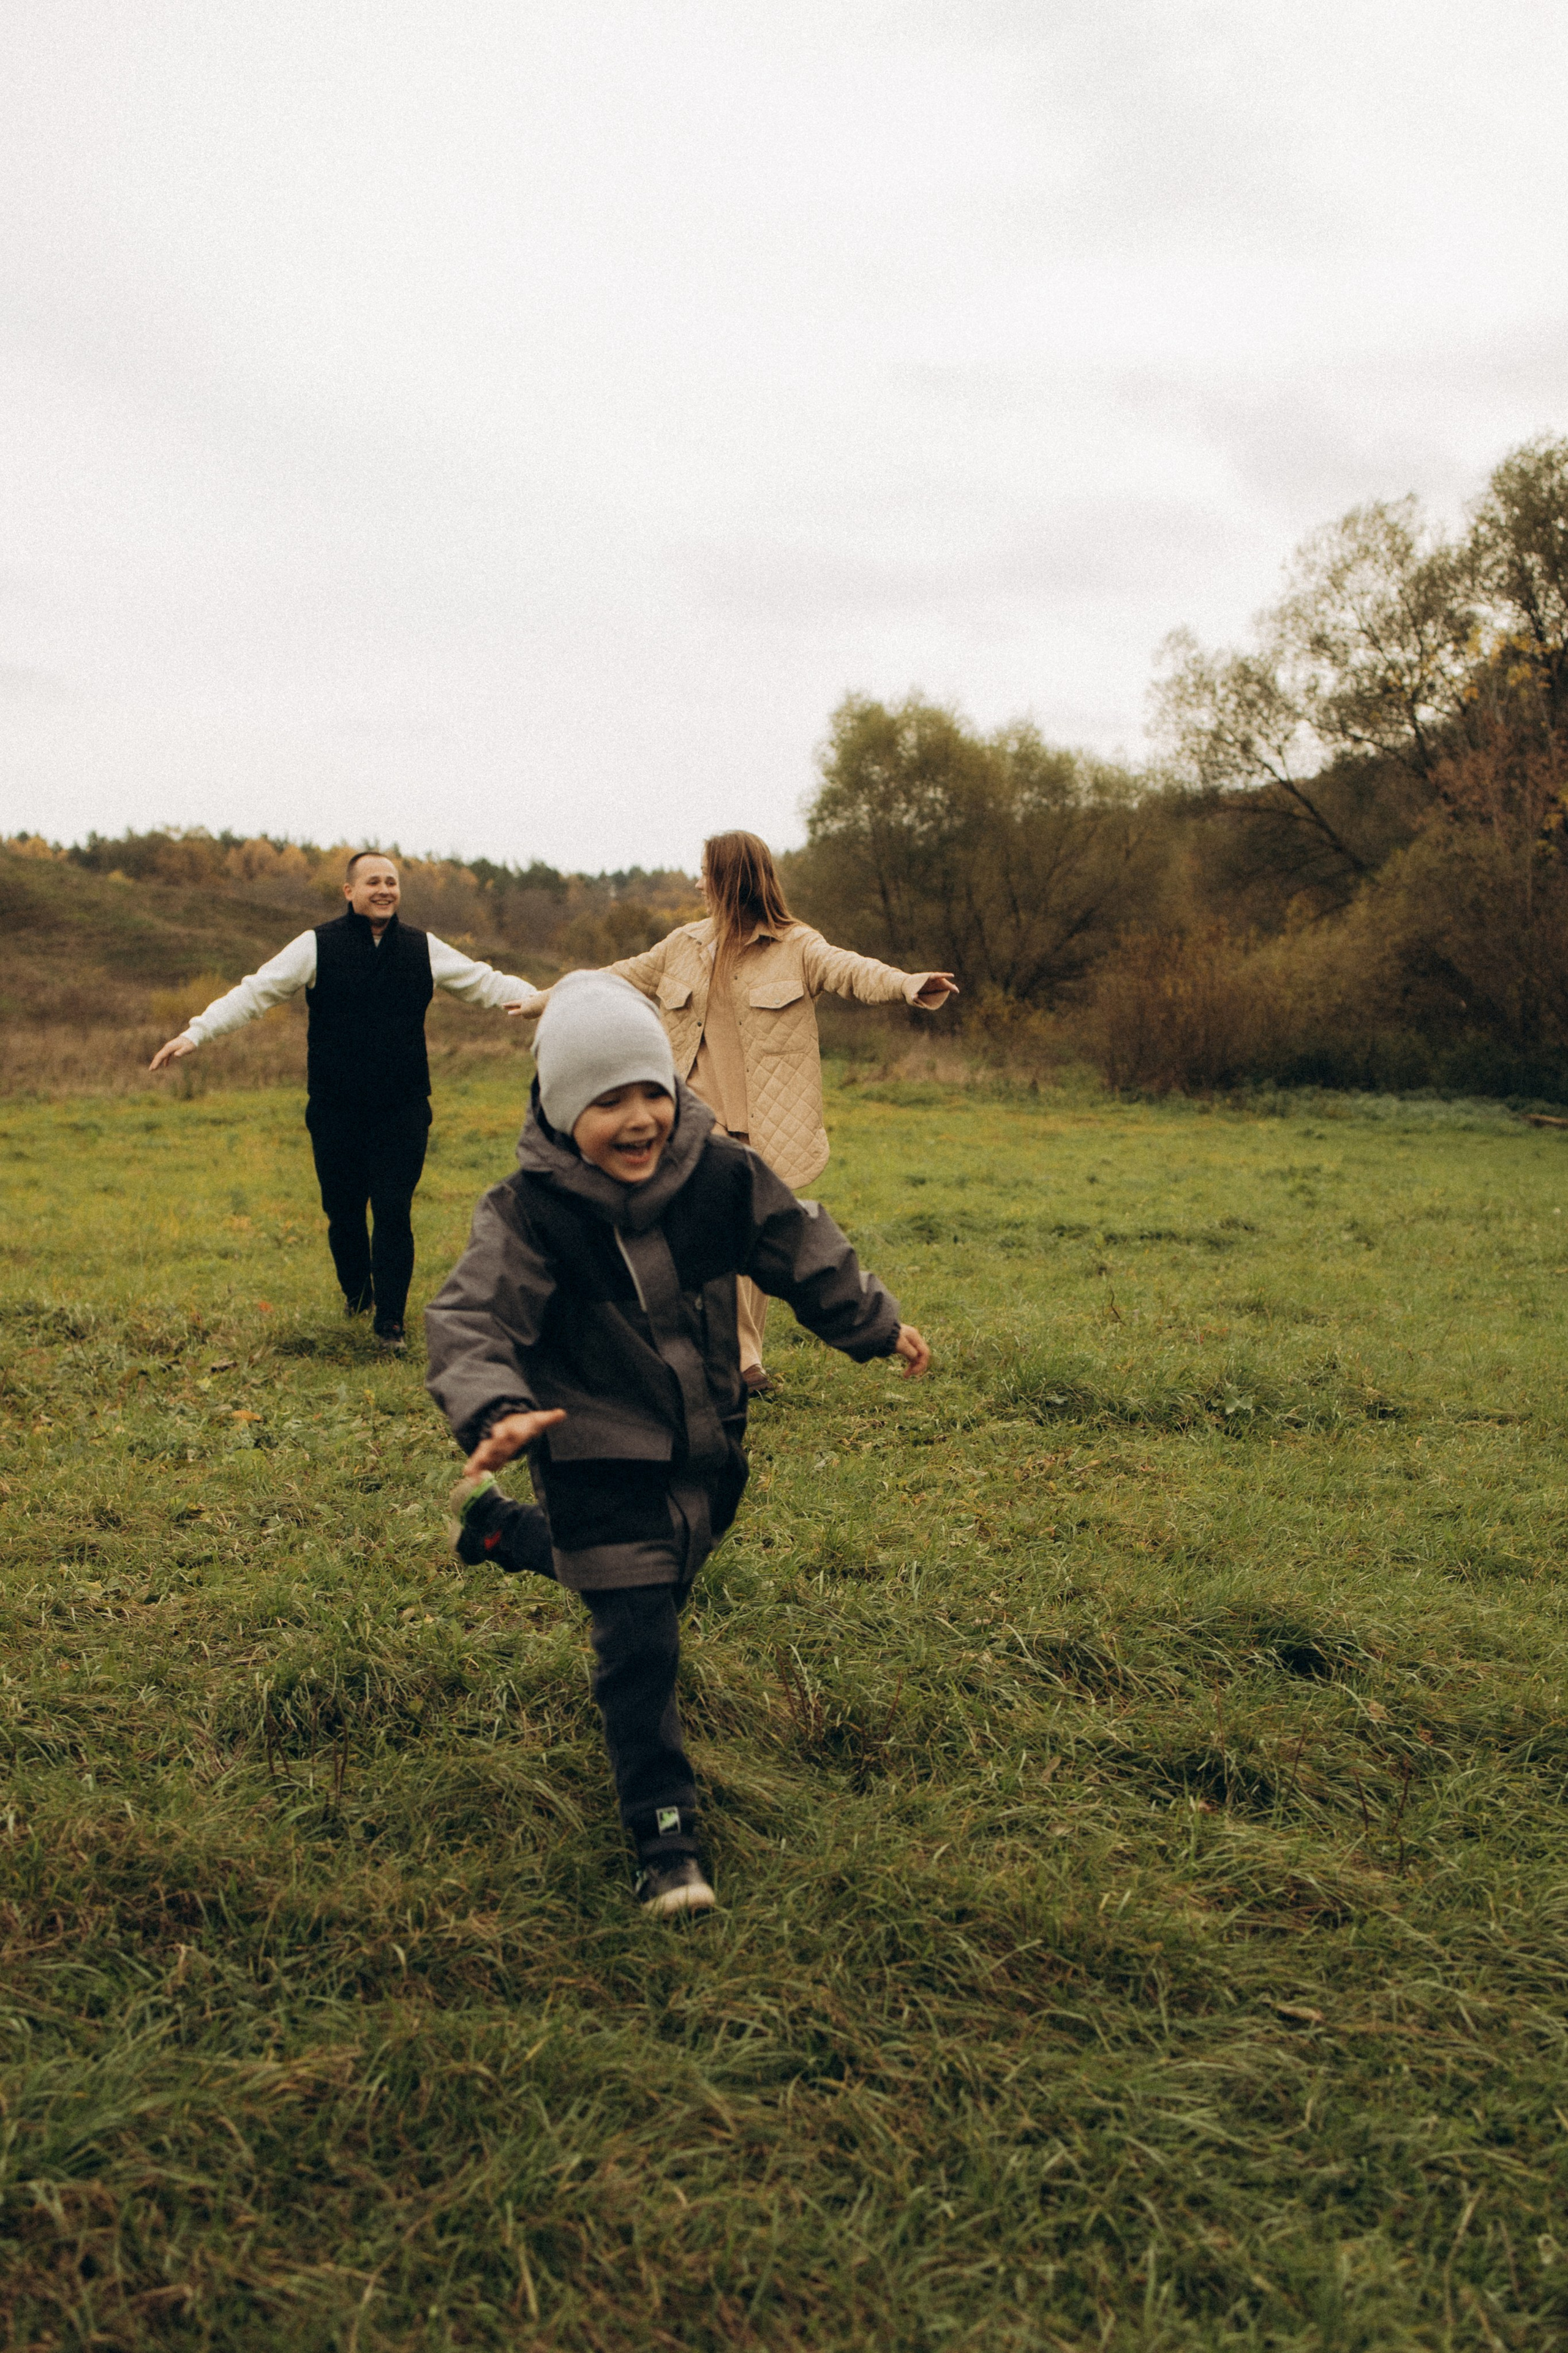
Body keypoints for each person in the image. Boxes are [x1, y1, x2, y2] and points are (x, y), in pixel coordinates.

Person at [423, 969, 932, 1917]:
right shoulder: (528, 1216)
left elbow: (798, 1243)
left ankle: (500, 1533)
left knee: (656, 1574)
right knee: (641, 1639)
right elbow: (473, 1316)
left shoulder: (719, 1175)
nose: (639, 1118)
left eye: (651, 1090)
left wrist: (870, 1322)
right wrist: (495, 1409)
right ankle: (667, 1838)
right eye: (607, 1100)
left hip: (707, 1445)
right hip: (594, 1454)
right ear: (563, 1107)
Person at [517, 831, 957, 1391]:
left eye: (705, 871)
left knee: (757, 1233)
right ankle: (743, 1362)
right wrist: (543, 999)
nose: (698, 882)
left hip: (770, 1122)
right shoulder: (682, 944)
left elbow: (851, 970)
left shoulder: (797, 946)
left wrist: (909, 984)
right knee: (718, 1231)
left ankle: (741, 1355)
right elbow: (615, 977)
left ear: (731, 877)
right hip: (698, 1119)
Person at [149, 852, 536, 1347]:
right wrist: (196, 1033)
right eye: (373, 881)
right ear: (348, 891)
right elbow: (257, 992)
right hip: (335, 1108)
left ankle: (390, 1323)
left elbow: (487, 983)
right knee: (345, 1212)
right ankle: (358, 1297)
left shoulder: (424, 948)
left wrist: (550, 1000)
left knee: (394, 1208)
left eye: (392, 882)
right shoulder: (316, 945)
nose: (385, 890)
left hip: (403, 1106)